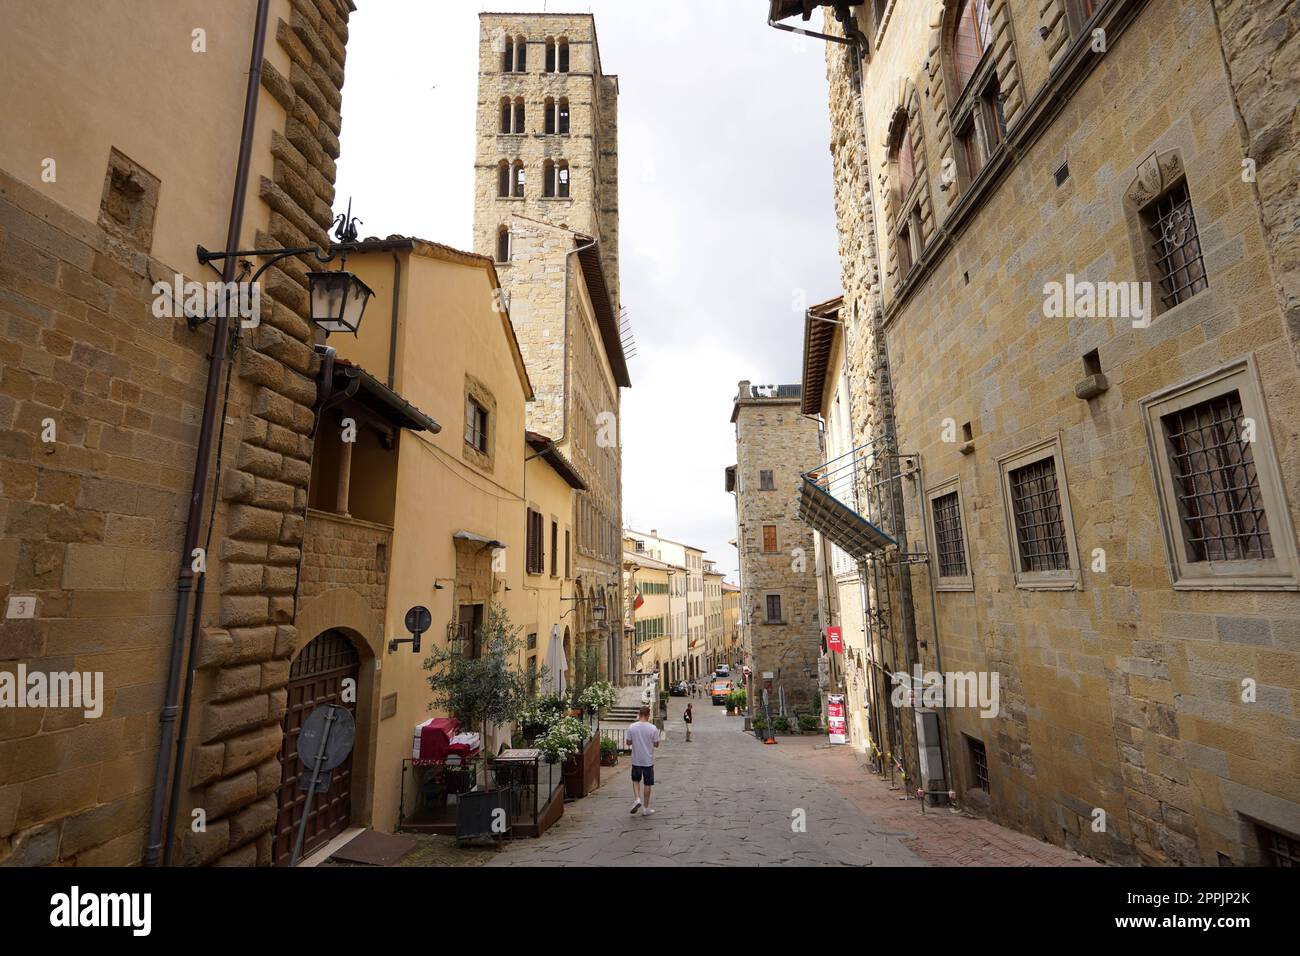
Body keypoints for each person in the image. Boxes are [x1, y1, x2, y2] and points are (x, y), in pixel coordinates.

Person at [627, 705, 662, 817]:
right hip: (648, 760)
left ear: (639, 714)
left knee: (636, 780)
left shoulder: (632, 727)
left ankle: (637, 799)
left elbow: (628, 742)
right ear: (648, 715)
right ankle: (646, 808)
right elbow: (656, 744)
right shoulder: (653, 728)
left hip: (636, 759)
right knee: (647, 783)